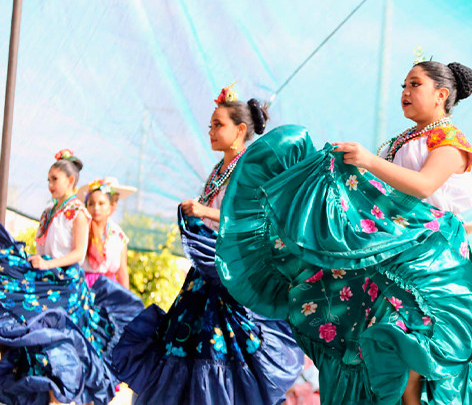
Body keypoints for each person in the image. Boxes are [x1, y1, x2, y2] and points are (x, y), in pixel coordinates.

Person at [216, 61, 472, 404]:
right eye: (403, 85)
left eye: (414, 85)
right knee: (369, 341)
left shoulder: (449, 140)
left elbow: (423, 186)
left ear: (441, 95)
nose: (405, 92)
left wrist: (368, 161)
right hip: (391, 247)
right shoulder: (401, 140)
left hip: (428, 257)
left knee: (407, 338)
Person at [111, 86, 304, 404]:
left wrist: (203, 212)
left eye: (219, 124)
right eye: (211, 125)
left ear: (240, 130)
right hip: (204, 274)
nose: (211, 131)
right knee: (187, 341)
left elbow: (254, 221)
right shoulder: (218, 171)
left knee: (220, 344)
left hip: (231, 274)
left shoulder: (249, 169)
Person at [0, 149, 143, 405]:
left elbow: (78, 254)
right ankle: (52, 395)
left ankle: (70, 395)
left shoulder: (78, 212)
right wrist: (37, 265)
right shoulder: (47, 212)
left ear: (70, 181)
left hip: (67, 287)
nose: (50, 185)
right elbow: (42, 253)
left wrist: (47, 264)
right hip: (47, 282)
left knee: (61, 344)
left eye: (55, 179)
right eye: (48, 180)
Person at [78, 177, 136, 288]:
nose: (96, 208)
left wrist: (126, 299)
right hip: (82, 285)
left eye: (101, 203)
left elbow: (122, 271)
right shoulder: (82, 229)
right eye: (91, 204)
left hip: (108, 289)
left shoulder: (118, 235)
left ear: (111, 206)